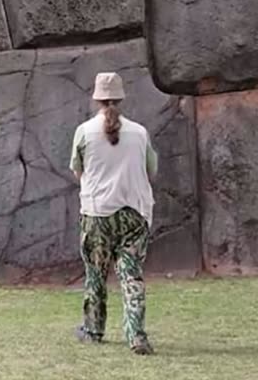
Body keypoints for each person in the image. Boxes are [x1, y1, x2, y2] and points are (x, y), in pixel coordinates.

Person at [69, 72, 158, 356]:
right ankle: (137, 335)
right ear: (120, 97)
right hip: (134, 213)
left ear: (96, 98)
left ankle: (93, 330)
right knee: (131, 276)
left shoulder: (84, 131)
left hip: (97, 213)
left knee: (95, 274)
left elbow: (77, 170)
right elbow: (151, 170)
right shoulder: (140, 132)